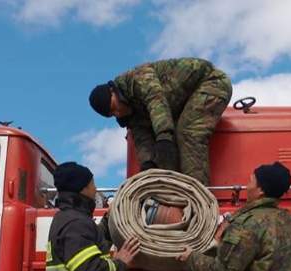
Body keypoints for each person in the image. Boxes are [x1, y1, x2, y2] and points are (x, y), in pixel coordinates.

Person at [89, 57, 232, 186]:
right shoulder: (131, 115)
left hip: (210, 82)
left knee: (187, 133)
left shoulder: (137, 79)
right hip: (183, 103)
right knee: (164, 155)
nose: (117, 113)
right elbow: (142, 139)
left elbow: (156, 101)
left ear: (113, 91)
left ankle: (198, 196)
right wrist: (148, 164)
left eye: (114, 107)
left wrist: (164, 136)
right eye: (112, 114)